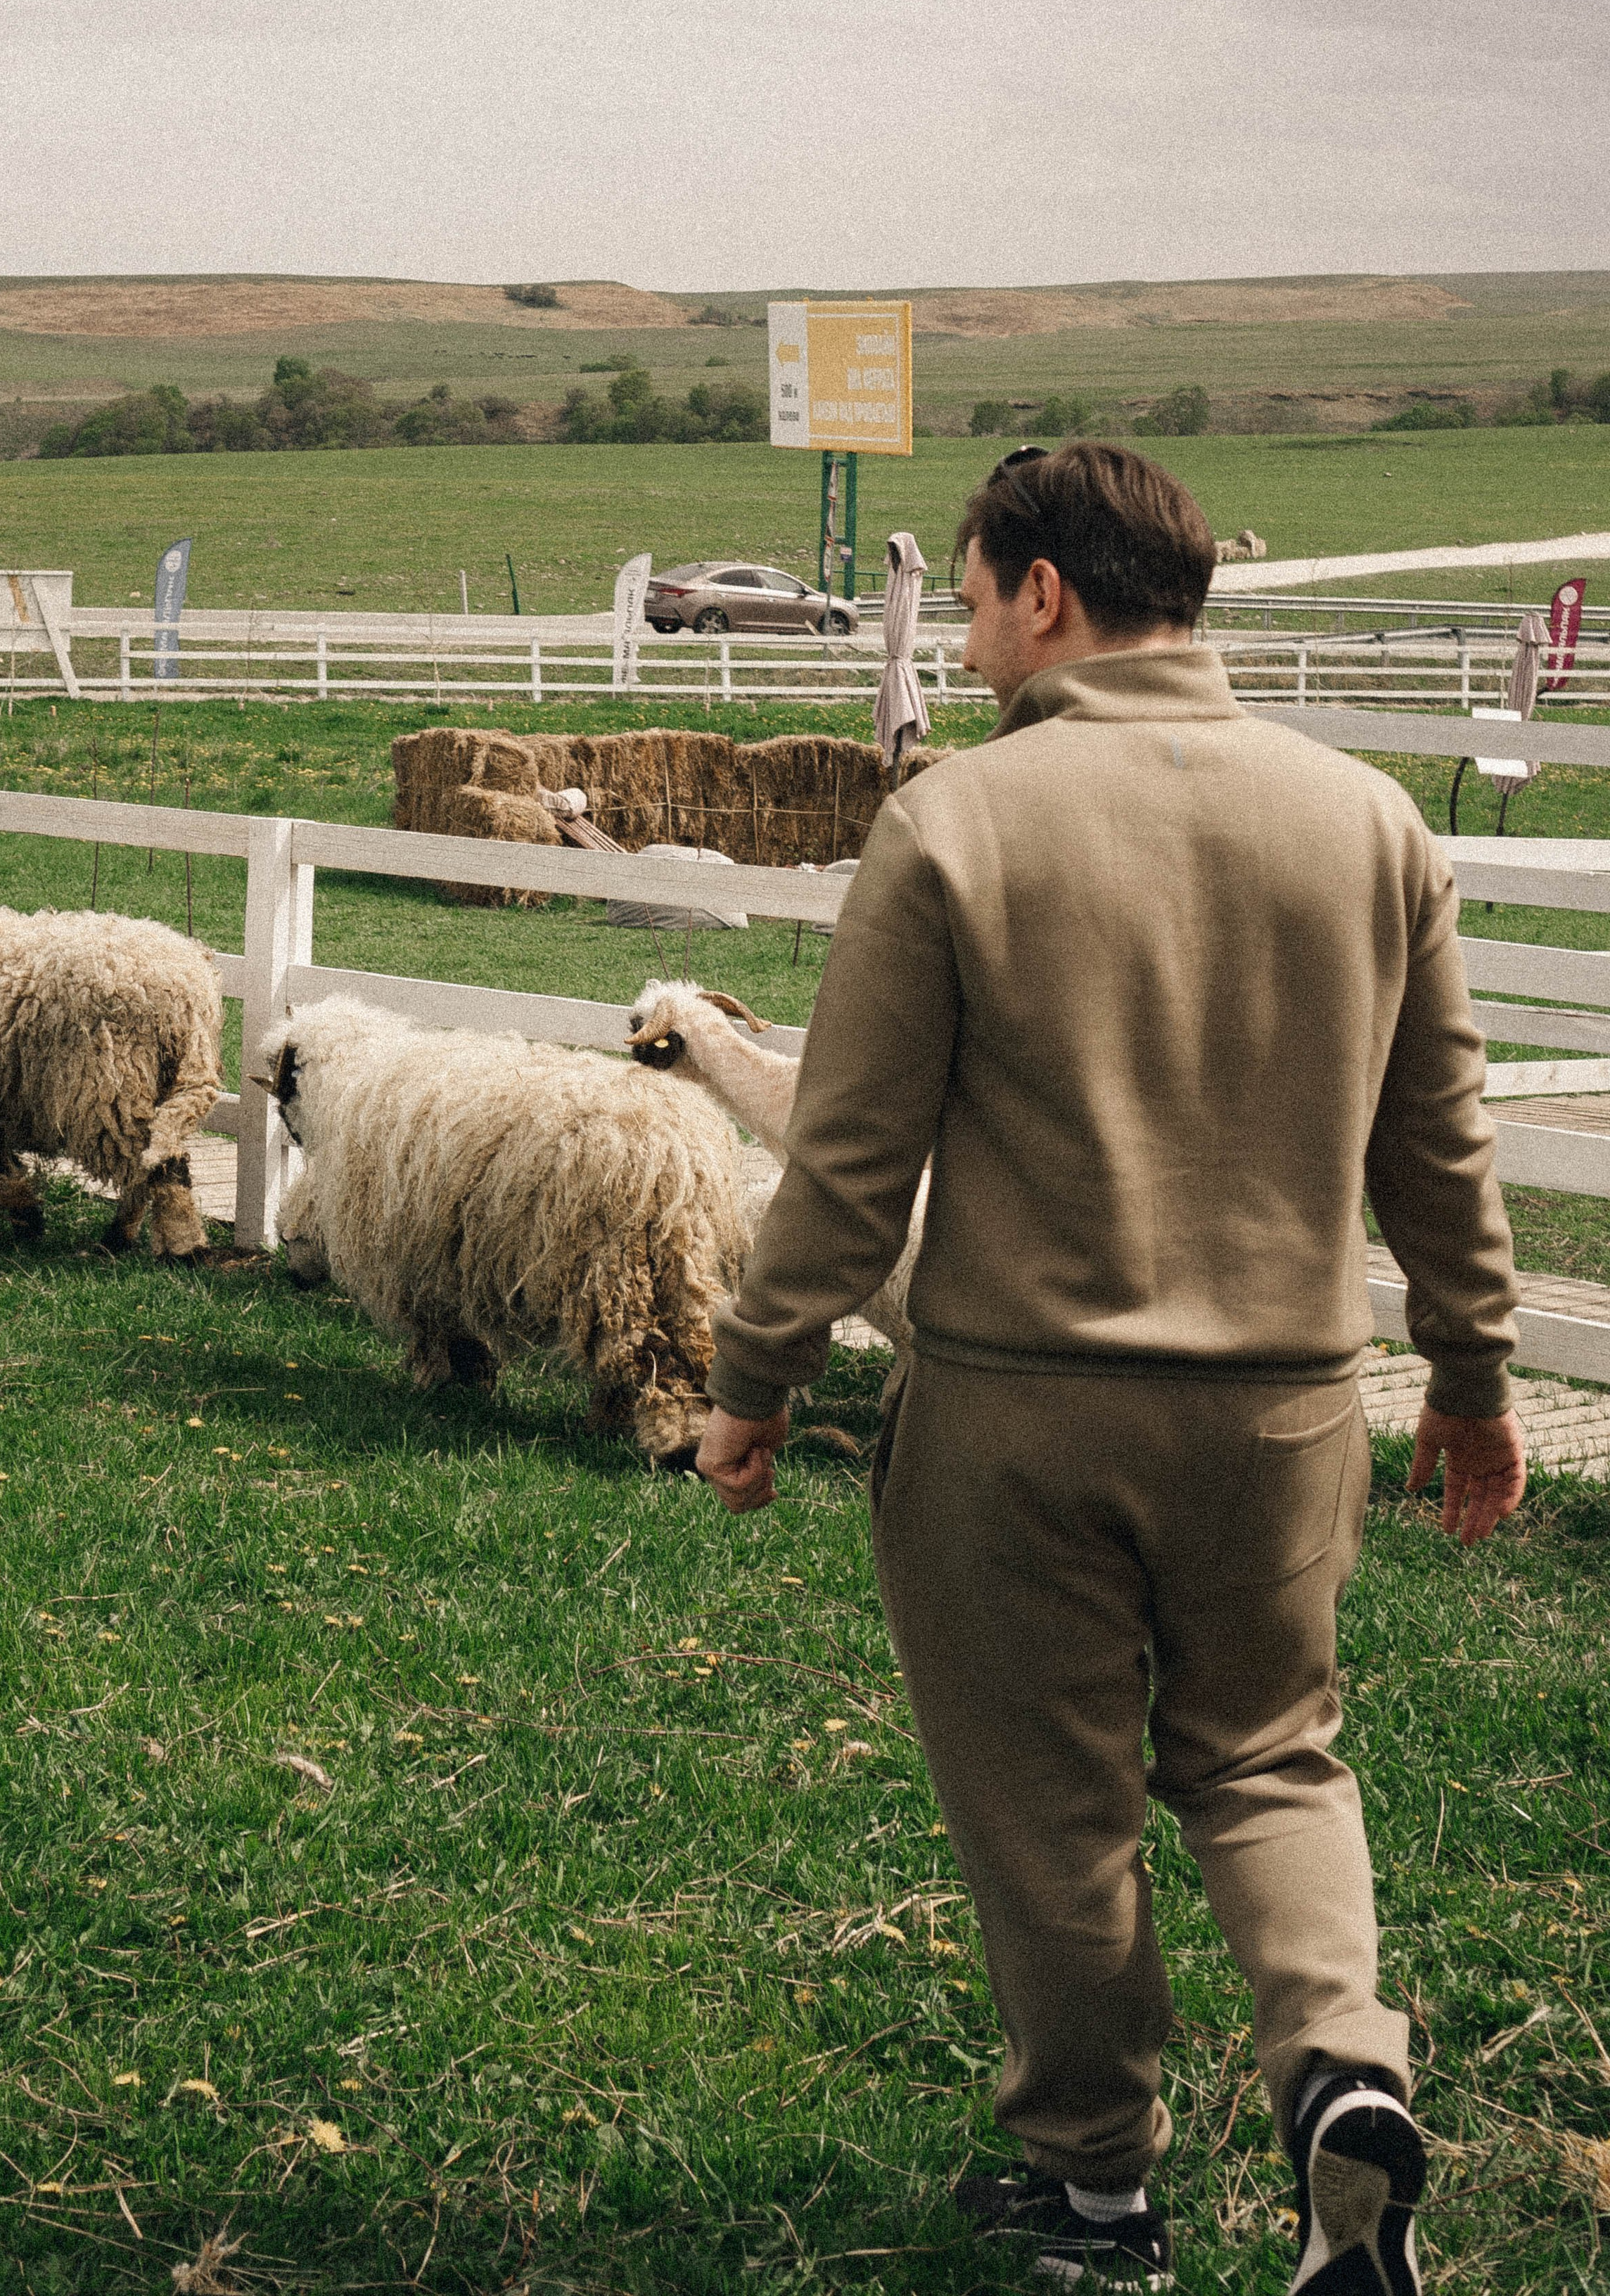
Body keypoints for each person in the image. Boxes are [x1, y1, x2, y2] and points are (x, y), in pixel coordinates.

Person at [694, 442, 1525, 2293]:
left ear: (1043, 593)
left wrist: (754, 1376)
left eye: (979, 596)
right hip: (1287, 1412)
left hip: (1016, 1411)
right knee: (1273, 1757)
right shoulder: (1372, 822)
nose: (976, 635)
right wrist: (1469, 1374)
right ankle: (1338, 2074)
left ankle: (1094, 2190)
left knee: (1051, 1805)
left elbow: (850, 1156)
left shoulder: (958, 824)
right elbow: (1440, 1146)